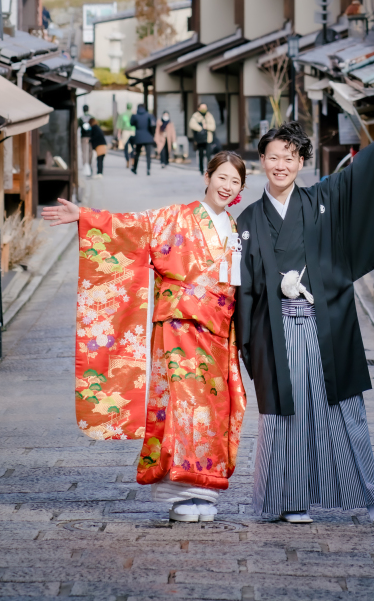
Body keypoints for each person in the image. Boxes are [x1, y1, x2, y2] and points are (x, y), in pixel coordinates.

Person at [235, 94, 374, 526]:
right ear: (262, 163)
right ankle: (289, 502)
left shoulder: (322, 199)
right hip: (276, 330)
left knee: (345, 408)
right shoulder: (249, 220)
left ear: (302, 162)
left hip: (325, 324)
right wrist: (253, 327)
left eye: (289, 157)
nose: (281, 165)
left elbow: (364, 170)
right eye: (273, 158)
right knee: (286, 415)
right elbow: (243, 287)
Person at [40, 151, 247, 522]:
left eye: (235, 182)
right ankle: (179, 493)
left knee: (213, 408)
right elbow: (132, 226)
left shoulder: (233, 228)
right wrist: (85, 216)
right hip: (179, 326)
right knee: (183, 405)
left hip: (218, 329)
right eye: (222, 177)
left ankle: (205, 489)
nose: (227, 186)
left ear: (240, 189)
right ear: (207, 176)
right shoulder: (175, 217)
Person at [189, 103, 216, 173]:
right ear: (198, 108)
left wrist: (206, 127)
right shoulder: (195, 116)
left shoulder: (209, 115)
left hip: (208, 139)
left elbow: (213, 126)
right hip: (200, 139)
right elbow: (191, 124)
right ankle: (201, 169)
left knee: (208, 155)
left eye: (205, 107)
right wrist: (200, 128)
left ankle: (209, 169)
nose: (204, 109)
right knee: (200, 155)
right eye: (202, 107)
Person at [131, 103, 156, 175]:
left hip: (139, 137)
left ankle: (135, 168)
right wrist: (152, 135)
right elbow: (153, 125)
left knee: (137, 153)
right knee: (148, 155)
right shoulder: (149, 115)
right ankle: (148, 169)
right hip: (148, 137)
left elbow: (131, 123)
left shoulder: (135, 116)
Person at [116, 102, 134, 169]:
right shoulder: (133, 114)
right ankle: (133, 161)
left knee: (126, 147)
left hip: (125, 132)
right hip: (133, 131)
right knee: (132, 147)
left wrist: (119, 134)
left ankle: (127, 161)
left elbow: (119, 126)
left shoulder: (122, 114)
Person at [79, 105, 92, 177]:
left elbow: (77, 126)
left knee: (84, 152)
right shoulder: (91, 117)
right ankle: (89, 165)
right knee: (90, 152)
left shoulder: (81, 118)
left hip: (84, 137)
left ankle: (85, 165)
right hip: (90, 137)